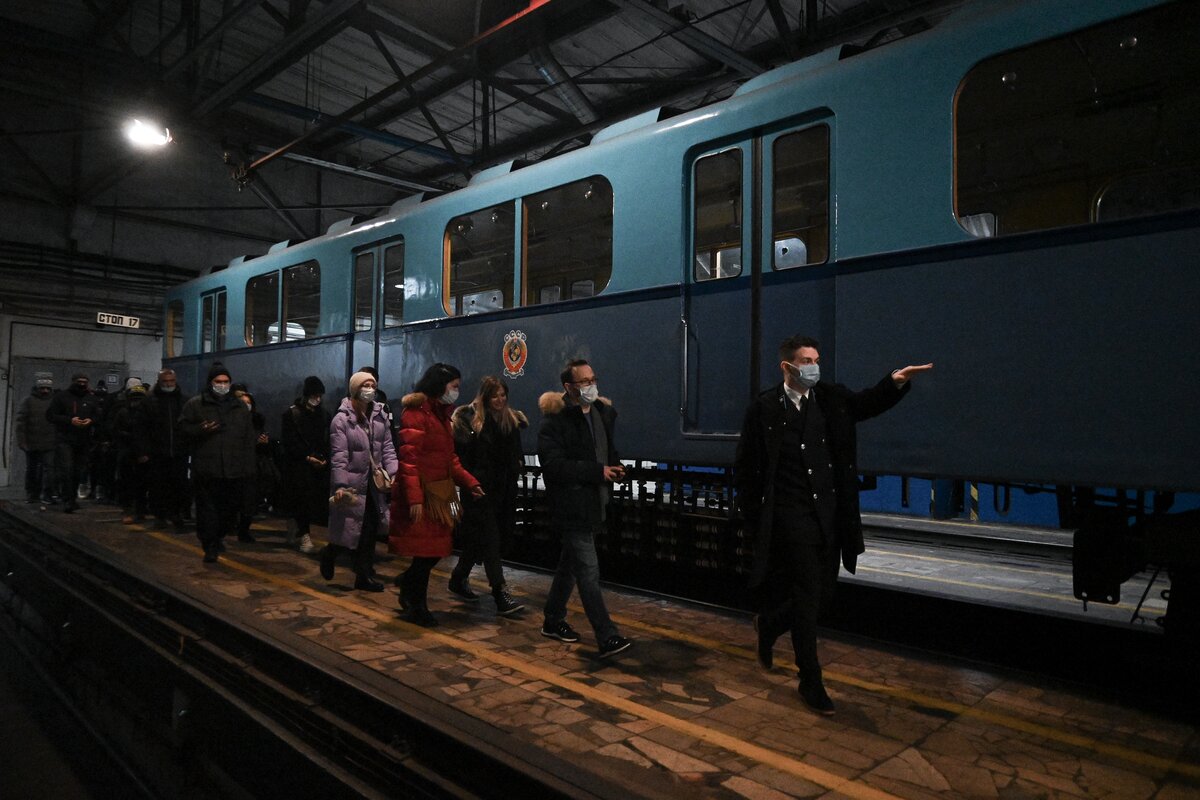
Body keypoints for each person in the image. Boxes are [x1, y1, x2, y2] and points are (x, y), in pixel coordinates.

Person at [734, 335, 932, 715]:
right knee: (808, 599)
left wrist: (896, 381)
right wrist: (754, 518)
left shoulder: (830, 399)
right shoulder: (764, 409)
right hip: (791, 520)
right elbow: (746, 468)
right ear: (787, 367)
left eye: (816, 359)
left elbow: (866, 403)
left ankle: (771, 623)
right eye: (806, 360)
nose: (813, 366)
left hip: (830, 516)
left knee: (824, 594)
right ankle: (810, 680)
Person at [536, 359, 632, 659]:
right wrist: (597, 472)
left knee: (570, 565)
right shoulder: (555, 421)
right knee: (589, 571)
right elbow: (553, 467)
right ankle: (607, 635)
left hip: (595, 502)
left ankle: (552, 619)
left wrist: (615, 468)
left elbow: (606, 452)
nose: (591, 386)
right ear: (569, 387)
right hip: (572, 505)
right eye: (584, 382)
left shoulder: (603, 414)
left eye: (593, 379)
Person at [389, 364, 483, 627]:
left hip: (442, 495)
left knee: (438, 549)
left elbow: (450, 458)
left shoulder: (442, 416)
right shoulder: (416, 414)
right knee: (425, 551)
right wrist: (415, 499)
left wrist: (469, 482)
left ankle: (409, 588)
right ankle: (416, 605)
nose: (457, 392)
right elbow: (409, 462)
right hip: (424, 495)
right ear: (439, 386)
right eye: (454, 386)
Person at [449, 376, 527, 616]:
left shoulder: (510, 422)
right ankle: (499, 592)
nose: (500, 400)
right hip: (478, 492)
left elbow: (516, 455)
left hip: (502, 492)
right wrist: (470, 482)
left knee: (479, 541)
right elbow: (462, 458)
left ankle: (458, 577)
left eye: (503, 395)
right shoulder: (470, 422)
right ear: (485, 397)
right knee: (491, 539)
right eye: (495, 396)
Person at [322, 372, 398, 592]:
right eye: (366, 385)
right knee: (348, 529)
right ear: (355, 389)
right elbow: (339, 456)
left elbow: (388, 449)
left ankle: (363, 576)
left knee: (369, 530)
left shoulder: (380, 415)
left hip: (373, 485)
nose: (370, 389)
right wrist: (341, 485)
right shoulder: (342, 420)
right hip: (353, 483)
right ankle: (330, 553)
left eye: (373, 385)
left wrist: (394, 473)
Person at [179, 364, 257, 563]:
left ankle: (219, 536)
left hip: (234, 469)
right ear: (210, 383)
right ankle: (209, 545)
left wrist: (248, 466)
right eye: (218, 382)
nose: (222, 385)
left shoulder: (240, 407)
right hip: (207, 469)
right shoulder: (196, 405)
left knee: (229, 510)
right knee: (207, 511)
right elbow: (182, 430)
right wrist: (200, 429)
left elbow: (248, 438)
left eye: (225, 382)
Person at [280, 376, 331, 554]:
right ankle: (304, 534)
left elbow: (327, 440)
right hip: (299, 466)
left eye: (319, 395)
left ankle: (298, 527)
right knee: (301, 499)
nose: (317, 399)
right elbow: (289, 442)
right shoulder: (292, 414)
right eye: (314, 395)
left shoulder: (324, 415)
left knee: (311, 501)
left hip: (317, 465)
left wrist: (324, 458)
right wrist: (307, 457)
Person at [136, 368, 189, 530]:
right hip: (156, 452)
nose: (168, 384)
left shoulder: (184, 400)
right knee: (158, 486)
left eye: (171, 381)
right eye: (165, 381)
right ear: (159, 381)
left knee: (179, 485)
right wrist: (142, 451)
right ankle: (160, 516)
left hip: (179, 452)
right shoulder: (149, 401)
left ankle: (176, 515)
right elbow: (141, 428)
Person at [46, 372, 100, 513]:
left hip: (83, 440)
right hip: (65, 439)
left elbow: (97, 415)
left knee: (78, 471)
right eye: (79, 381)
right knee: (67, 469)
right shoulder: (61, 397)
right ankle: (67, 499)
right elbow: (51, 415)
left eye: (84, 381)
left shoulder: (91, 398)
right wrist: (70, 420)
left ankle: (72, 498)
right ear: (73, 381)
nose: (81, 384)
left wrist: (91, 421)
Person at [231, 385, 275, 543]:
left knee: (249, 501)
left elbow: (265, 449)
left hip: (253, 467)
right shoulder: (231, 422)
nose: (246, 405)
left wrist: (263, 443)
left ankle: (244, 530)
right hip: (235, 467)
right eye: (243, 402)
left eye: (248, 402)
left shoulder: (257, 421)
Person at [111, 381, 150, 524]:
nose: (137, 402)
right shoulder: (123, 412)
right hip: (127, 452)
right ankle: (128, 509)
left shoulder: (147, 413)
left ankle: (140, 510)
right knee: (126, 482)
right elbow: (115, 430)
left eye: (140, 398)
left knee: (142, 483)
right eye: (134, 398)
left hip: (143, 453)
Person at [16, 376, 55, 503]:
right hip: (32, 443)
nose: (45, 391)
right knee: (32, 469)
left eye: (47, 388)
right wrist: (22, 441)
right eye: (42, 388)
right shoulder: (28, 401)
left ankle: (47, 494)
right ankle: (33, 494)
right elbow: (21, 423)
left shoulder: (54, 402)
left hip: (50, 442)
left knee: (49, 469)